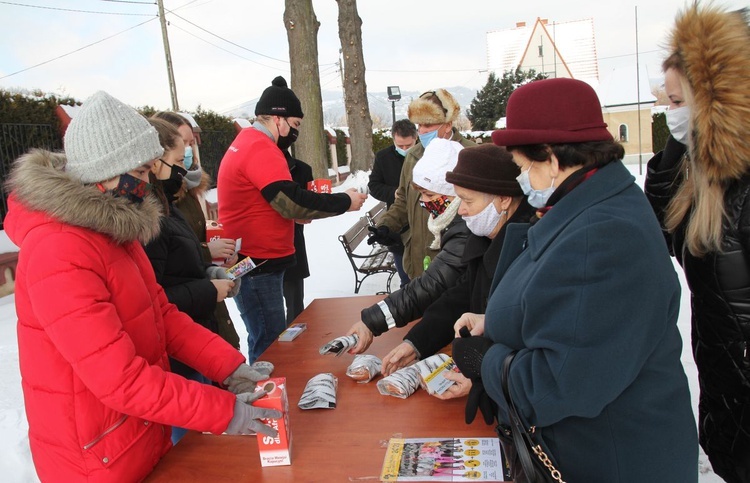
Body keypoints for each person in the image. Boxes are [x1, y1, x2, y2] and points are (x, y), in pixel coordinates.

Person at [4, 91, 281, 482]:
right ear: (104, 172)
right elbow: (119, 379)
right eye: (140, 172)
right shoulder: (60, 250)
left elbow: (161, 316)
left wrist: (229, 367)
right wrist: (223, 411)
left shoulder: (114, 230)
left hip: (133, 436)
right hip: (95, 457)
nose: (148, 182)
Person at [452, 78, 698, 481]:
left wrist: (488, 358)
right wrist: (495, 322)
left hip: (609, 460)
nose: (522, 179)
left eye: (522, 167)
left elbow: (554, 385)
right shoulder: (591, 205)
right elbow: (567, 314)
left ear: (550, 158)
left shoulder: (601, 237)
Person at [644, 5, 750, 481]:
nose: (674, 115)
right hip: (727, 398)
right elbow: (660, 231)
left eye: (679, 102)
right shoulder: (706, 180)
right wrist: (677, 146)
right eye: (669, 102)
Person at [217, 76, 367, 362]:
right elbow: (292, 202)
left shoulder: (246, 142)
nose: (294, 133)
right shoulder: (261, 149)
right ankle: (269, 400)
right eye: (295, 125)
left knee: (264, 336)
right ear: (278, 119)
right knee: (269, 345)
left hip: (254, 261)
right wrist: (345, 201)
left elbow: (273, 202)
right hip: (258, 266)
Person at [378, 145, 535, 389]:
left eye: (467, 200)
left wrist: (481, 382)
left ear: (503, 199)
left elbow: (529, 339)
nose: (460, 210)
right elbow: (460, 297)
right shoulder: (485, 234)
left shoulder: (530, 250)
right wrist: (417, 343)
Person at [347, 138, 469, 354]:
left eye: (429, 194)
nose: (423, 202)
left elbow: (433, 285)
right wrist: (415, 344)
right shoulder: (451, 220)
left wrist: (372, 321)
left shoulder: (467, 228)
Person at [153, 111, 241, 350]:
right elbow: (156, 296)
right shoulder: (157, 211)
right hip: (189, 334)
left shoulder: (184, 191)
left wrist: (214, 267)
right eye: (183, 151)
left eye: (192, 143)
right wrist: (206, 254)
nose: (190, 151)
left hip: (206, 319)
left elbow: (188, 251)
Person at [369, 89, 475, 280]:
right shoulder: (413, 155)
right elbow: (403, 199)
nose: (422, 131)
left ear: (448, 124)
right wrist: (386, 225)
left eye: (428, 124)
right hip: (417, 256)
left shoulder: (470, 154)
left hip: (455, 261)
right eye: (419, 125)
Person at [368, 119, 418, 287]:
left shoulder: (424, 154)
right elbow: (373, 186)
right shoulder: (383, 157)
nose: (404, 150)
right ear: (393, 140)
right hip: (397, 225)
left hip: (420, 224)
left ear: (416, 138)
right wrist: (393, 193)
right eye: (400, 146)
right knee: (406, 279)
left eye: (408, 145)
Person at [282, 148, 314, 324]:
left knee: (294, 307)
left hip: (292, 247)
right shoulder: (252, 167)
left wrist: (306, 214)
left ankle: (294, 347)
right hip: (259, 254)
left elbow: (311, 203)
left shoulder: (302, 170)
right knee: (267, 316)